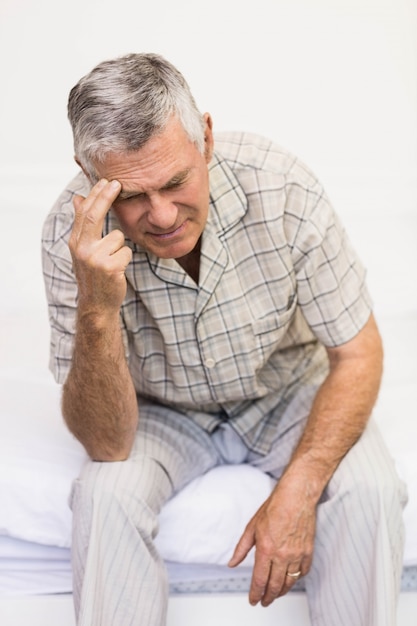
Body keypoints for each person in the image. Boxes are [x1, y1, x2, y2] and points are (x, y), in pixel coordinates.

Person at [42, 52, 407, 626]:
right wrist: (96, 309)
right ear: (89, 174)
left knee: (370, 492)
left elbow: (358, 352)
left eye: (175, 182)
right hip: (157, 412)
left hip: (287, 392)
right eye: (132, 195)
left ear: (205, 139)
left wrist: (300, 488)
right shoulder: (70, 236)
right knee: (103, 497)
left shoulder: (283, 187)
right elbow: (107, 446)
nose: (161, 215)